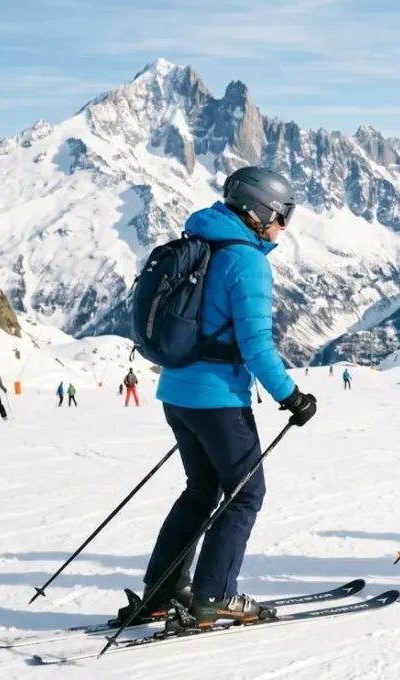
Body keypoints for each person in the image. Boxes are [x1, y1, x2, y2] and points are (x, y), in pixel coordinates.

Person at [136, 167, 319, 629]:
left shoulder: (200, 242)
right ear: (261, 212)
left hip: (176, 392)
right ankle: (214, 595)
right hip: (217, 400)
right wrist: (292, 397)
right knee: (245, 493)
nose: (284, 226)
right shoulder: (246, 261)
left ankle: (160, 592)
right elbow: (256, 346)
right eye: (283, 215)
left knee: (201, 491)